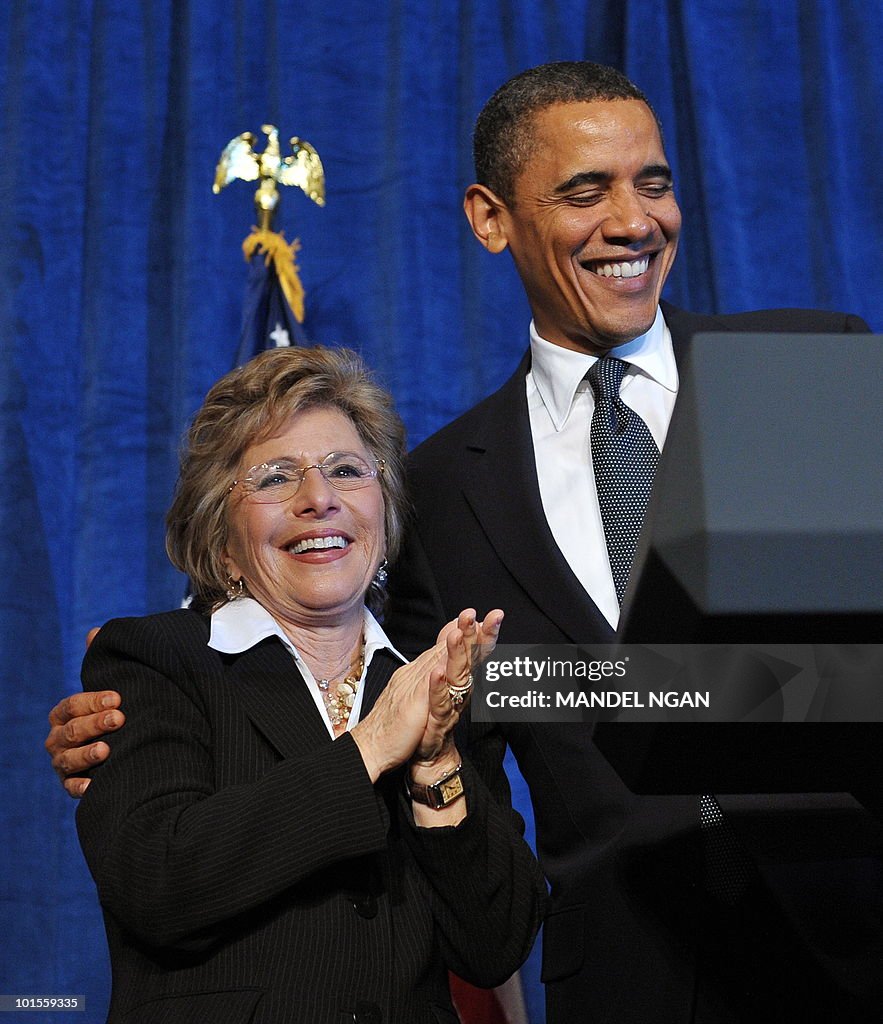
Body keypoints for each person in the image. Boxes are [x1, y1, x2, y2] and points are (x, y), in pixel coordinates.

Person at [48, 63, 879, 1022]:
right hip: (625, 976)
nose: (634, 220)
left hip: (853, 936)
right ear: (489, 218)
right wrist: (148, 709)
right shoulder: (442, 490)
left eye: (652, 182)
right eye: (585, 191)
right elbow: (387, 693)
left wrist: (588, 686)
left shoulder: (799, 372)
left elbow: (854, 671)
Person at [66, 345, 545, 1024]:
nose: (318, 499)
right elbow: (157, 882)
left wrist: (434, 760)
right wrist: (372, 745)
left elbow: (493, 944)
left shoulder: (433, 683)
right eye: (274, 478)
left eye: (346, 471)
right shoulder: (158, 660)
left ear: (383, 513)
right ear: (223, 539)